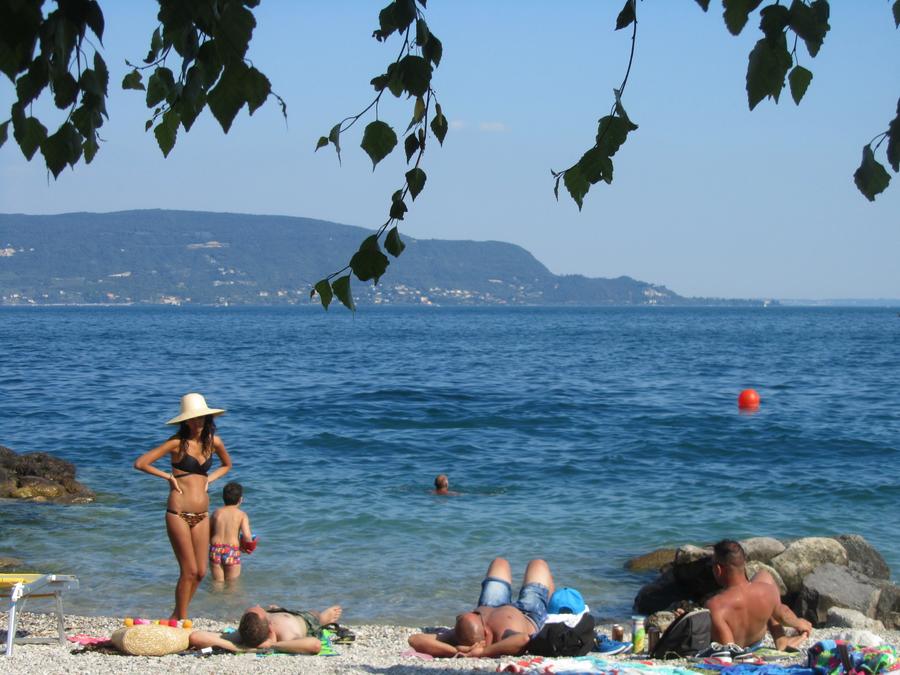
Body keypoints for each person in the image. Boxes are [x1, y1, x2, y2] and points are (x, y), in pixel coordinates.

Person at [134, 393, 232, 620]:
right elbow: (141, 463)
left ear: (208, 419)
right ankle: (182, 620)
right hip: (177, 513)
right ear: (185, 421)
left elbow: (227, 465)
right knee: (188, 571)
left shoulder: (214, 443)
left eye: (202, 418)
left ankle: (176, 617)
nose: (198, 423)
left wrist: (210, 479)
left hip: (202, 515)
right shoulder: (176, 443)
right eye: (193, 419)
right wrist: (167, 476)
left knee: (200, 572)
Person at [407, 556, 555, 658]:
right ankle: (554, 615)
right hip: (527, 613)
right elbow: (523, 639)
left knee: (499, 562)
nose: (476, 613)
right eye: (477, 615)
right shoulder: (504, 636)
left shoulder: (459, 635)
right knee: (538, 564)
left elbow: (415, 639)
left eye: (476, 614)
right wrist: (481, 653)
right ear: (486, 632)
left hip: (490, 604)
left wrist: (456, 651)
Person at [705, 540, 812, 651]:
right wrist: (799, 623)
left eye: (712, 565)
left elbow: (729, 649)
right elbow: (782, 614)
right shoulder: (768, 591)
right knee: (764, 576)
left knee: (763, 576)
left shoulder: (715, 606)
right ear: (743, 563)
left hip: (738, 650)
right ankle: (782, 642)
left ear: (718, 569)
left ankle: (783, 642)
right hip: (756, 643)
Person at [189, 604, 343, 654]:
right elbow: (314, 645)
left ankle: (274, 609)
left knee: (272, 606)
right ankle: (323, 619)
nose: (257, 605)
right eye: (264, 614)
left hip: (278, 615)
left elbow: (197, 637)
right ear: (270, 627)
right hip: (306, 621)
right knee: (315, 614)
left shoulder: (242, 635)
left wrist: (242, 648)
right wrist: (271, 645)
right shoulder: (286, 634)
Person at [209, 481, 254, 583]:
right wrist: (248, 547)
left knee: (217, 583)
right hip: (231, 550)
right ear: (240, 499)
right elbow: (247, 536)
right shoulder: (241, 515)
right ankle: (229, 599)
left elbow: (208, 531)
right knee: (232, 584)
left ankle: (215, 598)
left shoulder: (216, 512)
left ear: (223, 498)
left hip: (215, 549)